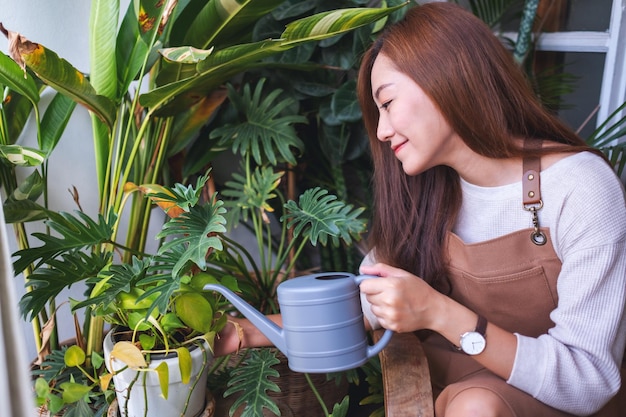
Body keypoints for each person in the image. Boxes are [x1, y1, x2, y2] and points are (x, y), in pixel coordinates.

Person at [214, 3, 626, 416]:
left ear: (447, 77)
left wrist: (439, 312)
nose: (380, 130)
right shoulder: (426, 196)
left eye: (387, 103)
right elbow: (361, 308)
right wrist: (243, 333)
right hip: (447, 394)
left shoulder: (579, 186)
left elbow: (588, 381)